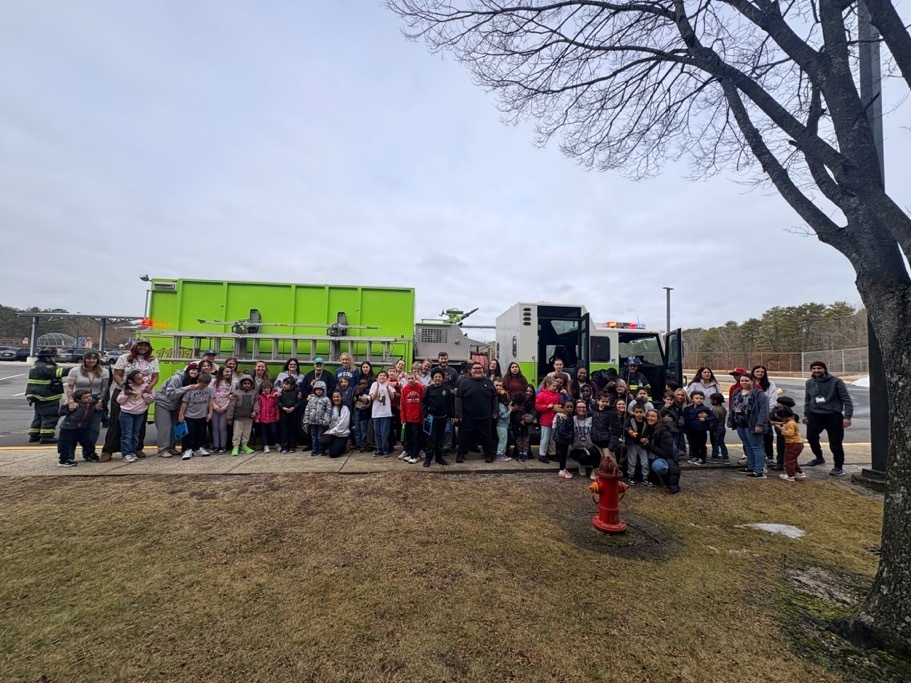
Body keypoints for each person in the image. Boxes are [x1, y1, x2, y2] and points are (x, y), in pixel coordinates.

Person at [102, 338, 159, 461]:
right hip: (124, 391)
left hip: (142, 393)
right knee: (116, 421)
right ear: (135, 346)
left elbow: (155, 376)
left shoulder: (152, 360)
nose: (143, 348)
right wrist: (124, 386)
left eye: (146, 345)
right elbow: (117, 374)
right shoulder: (124, 358)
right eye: (140, 345)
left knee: (140, 423)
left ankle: (137, 448)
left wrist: (150, 387)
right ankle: (108, 450)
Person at [802, 360, 853, 476]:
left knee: (835, 442)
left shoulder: (836, 382)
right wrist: (806, 414)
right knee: (811, 437)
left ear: (824, 369)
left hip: (833, 416)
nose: (816, 371)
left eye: (819, 368)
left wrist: (847, 417)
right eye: (814, 369)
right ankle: (819, 457)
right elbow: (807, 399)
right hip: (814, 415)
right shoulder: (809, 382)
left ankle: (838, 467)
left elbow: (846, 400)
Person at [63, 350, 109, 460]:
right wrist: (70, 400)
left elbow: (104, 387)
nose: (91, 360)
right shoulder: (75, 371)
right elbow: (69, 386)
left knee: (93, 430)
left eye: (94, 358)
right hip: (79, 402)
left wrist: (101, 401)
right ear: (84, 360)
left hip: (95, 401)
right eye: (89, 358)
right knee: (73, 429)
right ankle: (69, 455)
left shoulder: (104, 371)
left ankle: (89, 453)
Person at [454, 362, 498, 463]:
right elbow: (458, 398)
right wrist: (459, 414)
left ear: (483, 370)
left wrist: (495, 410)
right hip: (468, 417)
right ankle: (460, 456)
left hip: (485, 416)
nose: (477, 370)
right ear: (470, 370)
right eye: (475, 368)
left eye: (480, 368)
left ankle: (489, 455)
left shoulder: (488, 382)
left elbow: (494, 397)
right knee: (464, 437)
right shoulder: (464, 382)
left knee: (487, 437)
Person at [154, 362, 199, 458]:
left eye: (196, 371)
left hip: (174, 406)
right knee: (165, 428)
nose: (195, 372)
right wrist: (187, 388)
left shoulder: (190, 380)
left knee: (174, 427)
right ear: (187, 371)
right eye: (192, 370)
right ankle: (162, 450)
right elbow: (170, 394)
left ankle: (170, 447)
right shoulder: (176, 378)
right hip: (163, 404)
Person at [729, 374, 769, 478]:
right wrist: (730, 418)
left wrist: (760, 424)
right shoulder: (737, 392)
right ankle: (751, 466)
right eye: (742, 381)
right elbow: (733, 406)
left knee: (756, 446)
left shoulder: (758, 394)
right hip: (740, 424)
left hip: (752, 424)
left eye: (747, 380)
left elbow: (764, 410)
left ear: (752, 381)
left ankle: (759, 470)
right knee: (747, 446)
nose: (744, 383)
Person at [26, 348, 69, 444]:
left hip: (38, 396)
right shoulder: (46, 367)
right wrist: (77, 370)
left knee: (39, 416)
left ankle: (34, 435)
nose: (55, 359)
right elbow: (59, 372)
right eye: (53, 357)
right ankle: (47, 436)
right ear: (47, 358)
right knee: (50, 416)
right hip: (47, 396)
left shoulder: (36, 366)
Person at [116, 369, 155, 463]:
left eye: (142, 377)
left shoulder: (147, 387)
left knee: (135, 433)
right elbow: (119, 401)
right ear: (131, 381)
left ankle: (133, 451)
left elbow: (151, 401)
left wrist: (146, 394)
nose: (142, 380)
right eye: (138, 379)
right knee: (127, 434)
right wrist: (127, 394)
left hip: (140, 413)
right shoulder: (128, 387)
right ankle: (126, 453)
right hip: (126, 413)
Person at [642, 409, 681, 493]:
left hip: (662, 457)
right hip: (649, 455)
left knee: (659, 467)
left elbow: (666, 453)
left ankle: (663, 479)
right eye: (648, 416)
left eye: (653, 416)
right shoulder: (647, 429)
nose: (650, 418)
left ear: (658, 418)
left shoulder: (664, 432)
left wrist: (648, 445)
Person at [421, 368, 454, 467]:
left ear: (443, 378)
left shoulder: (446, 390)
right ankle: (428, 459)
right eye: (435, 377)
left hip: (443, 418)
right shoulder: (429, 389)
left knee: (440, 439)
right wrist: (425, 413)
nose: (437, 378)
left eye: (439, 377)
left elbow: (450, 404)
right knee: (431, 439)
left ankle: (439, 458)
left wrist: (451, 416)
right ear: (433, 378)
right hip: (432, 418)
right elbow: (423, 402)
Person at [178, 373, 214, 460]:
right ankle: (188, 449)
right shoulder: (191, 389)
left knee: (200, 433)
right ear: (198, 381)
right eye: (202, 384)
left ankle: (199, 448)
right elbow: (184, 402)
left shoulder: (209, 390)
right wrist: (181, 414)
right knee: (189, 433)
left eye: (206, 384)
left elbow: (210, 401)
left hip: (202, 415)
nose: (203, 386)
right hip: (190, 415)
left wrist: (210, 413)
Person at [56, 390, 95, 467]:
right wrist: (66, 405)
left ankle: (90, 455)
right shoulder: (75, 405)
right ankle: (64, 460)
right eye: (86, 398)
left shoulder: (91, 405)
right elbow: (61, 412)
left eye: (90, 396)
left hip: (82, 429)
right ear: (78, 400)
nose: (89, 398)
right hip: (68, 428)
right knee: (65, 445)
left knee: (88, 443)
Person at [751, 365, 778, 464]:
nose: (759, 373)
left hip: (765, 414)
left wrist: (767, 413)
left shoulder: (770, 384)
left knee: (767, 436)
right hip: (752, 415)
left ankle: (769, 455)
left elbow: (772, 399)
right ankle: (749, 455)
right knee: (751, 435)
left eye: (762, 372)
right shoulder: (750, 383)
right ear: (753, 372)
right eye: (757, 371)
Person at [568, 399, 601, 479]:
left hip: (589, 445)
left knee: (596, 454)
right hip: (576, 447)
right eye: (579, 407)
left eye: (583, 407)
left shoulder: (591, 419)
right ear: (575, 409)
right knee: (583, 457)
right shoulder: (572, 419)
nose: (581, 409)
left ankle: (595, 469)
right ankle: (581, 464)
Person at [772, 407, 806, 482]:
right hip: (796, 444)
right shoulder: (791, 422)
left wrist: (780, 428)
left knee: (788, 460)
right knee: (793, 459)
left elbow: (790, 434)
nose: (781, 419)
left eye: (781, 418)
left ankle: (790, 475)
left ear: (785, 417)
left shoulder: (790, 423)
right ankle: (799, 473)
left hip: (793, 444)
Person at [399, 372, 425, 464]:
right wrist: (403, 418)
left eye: (412, 378)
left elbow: (423, 402)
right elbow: (402, 405)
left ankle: (415, 455)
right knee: (408, 437)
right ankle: (410, 454)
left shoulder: (420, 388)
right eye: (409, 378)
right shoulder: (404, 390)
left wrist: (422, 417)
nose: (410, 380)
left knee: (416, 437)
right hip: (408, 418)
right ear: (406, 379)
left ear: (415, 378)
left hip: (417, 418)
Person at [683, 390, 715, 465]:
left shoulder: (705, 409)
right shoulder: (688, 408)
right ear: (692, 399)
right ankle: (695, 456)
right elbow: (686, 419)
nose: (699, 400)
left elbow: (713, 417)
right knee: (693, 444)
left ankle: (702, 458)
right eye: (696, 398)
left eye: (701, 398)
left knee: (701, 444)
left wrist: (705, 419)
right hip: (691, 430)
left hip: (701, 429)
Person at [534, 376, 561, 464]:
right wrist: (546, 407)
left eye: (556, 386)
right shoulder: (541, 395)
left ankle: (551, 453)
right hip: (545, 419)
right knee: (544, 438)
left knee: (552, 438)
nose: (555, 388)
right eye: (554, 386)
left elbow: (560, 404)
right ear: (548, 385)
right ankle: (542, 454)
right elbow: (537, 406)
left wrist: (559, 408)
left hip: (554, 419)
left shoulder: (557, 395)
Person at [229, 375, 257, 456]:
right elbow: (232, 405)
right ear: (241, 384)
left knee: (246, 433)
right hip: (238, 417)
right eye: (245, 383)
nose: (247, 385)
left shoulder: (254, 393)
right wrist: (229, 417)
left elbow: (256, 403)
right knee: (237, 432)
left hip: (249, 417)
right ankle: (235, 446)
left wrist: (255, 411)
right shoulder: (236, 393)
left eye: (248, 383)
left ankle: (244, 445)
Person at [369, 371, 396, 457]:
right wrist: (377, 387)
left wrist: (388, 387)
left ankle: (385, 449)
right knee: (377, 432)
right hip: (376, 412)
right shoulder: (374, 384)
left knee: (385, 432)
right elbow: (372, 397)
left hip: (386, 413)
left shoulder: (388, 385)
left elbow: (392, 397)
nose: (382, 377)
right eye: (380, 375)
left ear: (387, 378)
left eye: (384, 376)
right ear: (377, 378)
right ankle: (379, 449)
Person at [303, 380, 332, 455]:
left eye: (320, 390)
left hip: (321, 422)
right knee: (313, 436)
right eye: (317, 389)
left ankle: (321, 449)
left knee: (320, 436)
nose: (318, 391)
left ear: (324, 390)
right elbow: (307, 409)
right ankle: (314, 449)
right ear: (314, 390)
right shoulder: (312, 399)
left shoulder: (326, 400)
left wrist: (326, 420)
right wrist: (306, 420)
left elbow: (328, 410)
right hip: (312, 422)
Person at [624, 403, 650, 486]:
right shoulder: (629, 420)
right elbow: (624, 428)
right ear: (633, 412)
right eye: (637, 412)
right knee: (632, 461)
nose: (639, 414)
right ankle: (630, 476)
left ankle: (645, 477)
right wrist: (628, 431)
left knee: (645, 461)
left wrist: (646, 438)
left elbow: (649, 432)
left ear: (644, 412)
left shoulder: (646, 421)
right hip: (632, 443)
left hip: (642, 444)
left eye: (640, 412)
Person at [320, 390, 351, 458]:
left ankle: (345, 444)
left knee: (333, 454)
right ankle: (333, 445)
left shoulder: (345, 409)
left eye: (337, 397)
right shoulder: (331, 408)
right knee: (323, 440)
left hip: (342, 434)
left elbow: (343, 425)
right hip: (333, 434)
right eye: (334, 397)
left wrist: (331, 431)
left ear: (341, 397)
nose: (336, 399)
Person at [508, 388, 535, 462]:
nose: (520, 406)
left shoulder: (527, 404)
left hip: (525, 426)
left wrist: (525, 419)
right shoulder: (514, 404)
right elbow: (511, 413)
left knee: (525, 440)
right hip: (517, 425)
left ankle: (525, 453)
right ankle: (520, 452)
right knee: (519, 440)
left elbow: (532, 413)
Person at [278, 377, 302, 454]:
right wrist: (283, 408)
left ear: (292, 385)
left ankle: (292, 446)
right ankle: (284, 447)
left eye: (287, 384)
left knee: (292, 430)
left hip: (293, 413)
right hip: (284, 413)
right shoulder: (281, 392)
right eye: (284, 384)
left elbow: (298, 402)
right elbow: (279, 402)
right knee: (284, 430)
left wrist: (293, 408)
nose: (284, 385)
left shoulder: (296, 392)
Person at [255, 380, 280, 453]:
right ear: (262, 389)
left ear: (271, 388)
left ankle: (277, 443)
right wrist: (257, 417)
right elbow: (258, 408)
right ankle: (265, 445)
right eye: (264, 388)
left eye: (268, 388)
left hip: (272, 418)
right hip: (263, 419)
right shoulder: (260, 397)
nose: (266, 390)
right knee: (263, 433)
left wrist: (277, 416)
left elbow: (276, 408)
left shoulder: (274, 396)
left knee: (274, 431)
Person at [493, 379, 512, 462]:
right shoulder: (501, 405)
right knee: (502, 441)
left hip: (504, 425)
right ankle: (499, 454)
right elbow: (504, 416)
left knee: (504, 440)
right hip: (501, 425)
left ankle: (503, 454)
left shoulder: (502, 405)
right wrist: (510, 410)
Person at [709, 393, 729, 461]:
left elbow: (715, 419)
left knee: (715, 442)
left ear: (715, 401)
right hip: (722, 427)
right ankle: (725, 456)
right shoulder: (723, 409)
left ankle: (715, 456)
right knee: (721, 442)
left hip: (716, 427)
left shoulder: (715, 409)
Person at [353, 378, 372, 452]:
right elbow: (354, 400)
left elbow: (366, 400)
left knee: (363, 430)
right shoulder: (356, 391)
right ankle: (357, 444)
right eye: (361, 384)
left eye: (364, 384)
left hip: (364, 412)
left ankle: (363, 445)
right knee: (357, 429)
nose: (362, 385)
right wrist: (357, 394)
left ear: (367, 385)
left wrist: (360, 393)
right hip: (357, 411)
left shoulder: (368, 392)